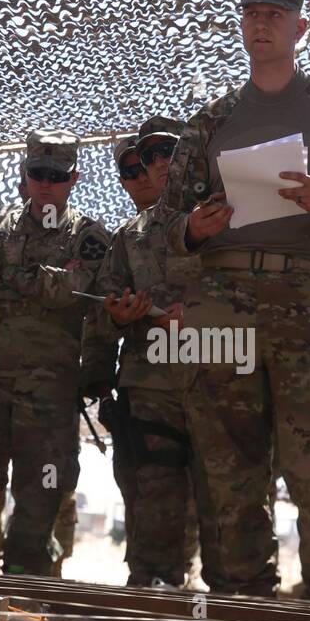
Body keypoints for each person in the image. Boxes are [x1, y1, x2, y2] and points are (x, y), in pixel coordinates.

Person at [164, 0, 310, 599]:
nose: (260, 24)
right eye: (250, 14)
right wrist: (192, 227)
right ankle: (243, 617)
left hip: (307, 303)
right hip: (221, 304)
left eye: (274, 15)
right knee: (227, 468)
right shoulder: (210, 121)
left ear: (298, 27)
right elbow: (163, 225)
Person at [0, 130, 112, 575]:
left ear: (73, 178)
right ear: (25, 175)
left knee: (40, 496)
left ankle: (25, 593)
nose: (46, 183)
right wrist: (44, 283)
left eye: (56, 175)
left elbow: (76, 290)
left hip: (48, 389)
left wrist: (13, 279)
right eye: (38, 173)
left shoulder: (89, 237)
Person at [91, 116, 218, 587]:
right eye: (149, 158)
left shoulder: (228, 215)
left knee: (224, 493)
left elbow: (259, 293)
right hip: (151, 384)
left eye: (169, 151)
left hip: (221, 376)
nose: (160, 163)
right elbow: (103, 305)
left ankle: (228, 603)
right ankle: (150, 591)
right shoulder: (131, 235)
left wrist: (201, 316)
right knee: (153, 490)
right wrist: (121, 315)